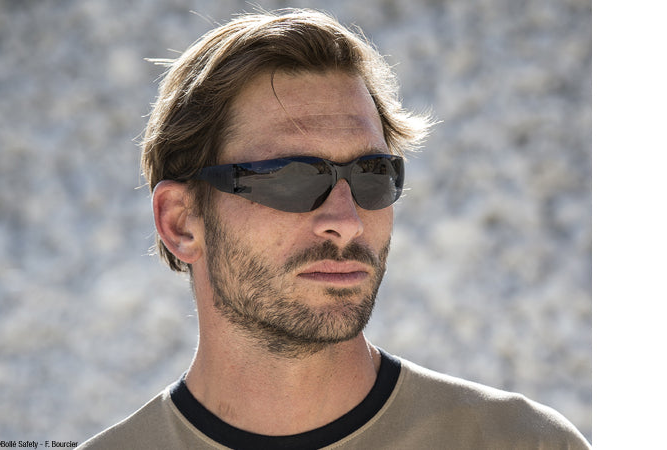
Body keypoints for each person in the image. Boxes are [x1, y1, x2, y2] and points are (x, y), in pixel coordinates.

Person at [79, 9, 590, 449]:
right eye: (291, 177)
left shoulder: (522, 442)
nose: (346, 222)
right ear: (180, 222)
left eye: (372, 175)